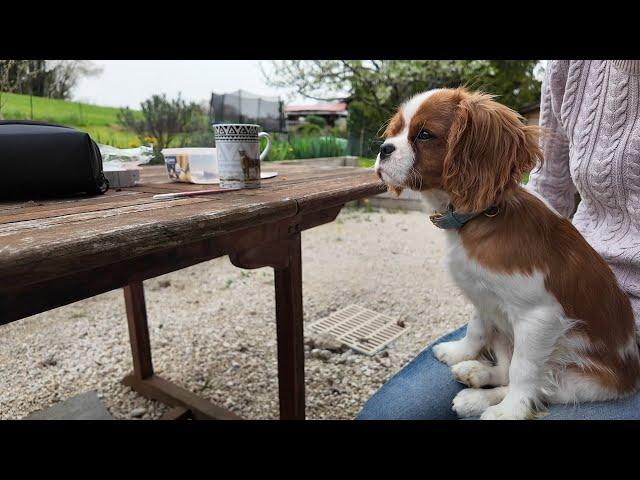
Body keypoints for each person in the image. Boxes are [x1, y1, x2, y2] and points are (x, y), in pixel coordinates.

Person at [357, 60, 640, 420]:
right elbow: (548, 186)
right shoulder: (571, 66)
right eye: (397, 133)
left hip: (598, 365)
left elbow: (539, 313)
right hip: (553, 319)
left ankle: (516, 392)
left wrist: (517, 397)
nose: (391, 146)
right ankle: (503, 375)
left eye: (422, 135)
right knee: (387, 416)